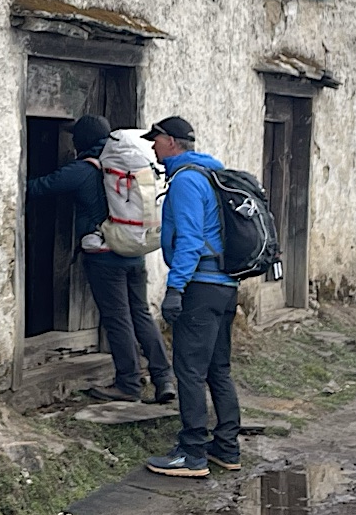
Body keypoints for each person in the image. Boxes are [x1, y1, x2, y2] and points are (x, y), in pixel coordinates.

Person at [24, 114, 173, 405]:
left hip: (104, 257)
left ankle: (128, 384)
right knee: (140, 314)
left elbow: (37, 188)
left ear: (81, 141)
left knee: (117, 319)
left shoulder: (83, 170)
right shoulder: (122, 167)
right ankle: (163, 378)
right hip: (134, 250)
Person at [141, 115, 242, 476]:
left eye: (156, 140)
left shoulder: (185, 181)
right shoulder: (213, 176)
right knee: (219, 370)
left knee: (189, 370)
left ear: (171, 141)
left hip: (199, 285)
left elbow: (189, 240)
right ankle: (227, 448)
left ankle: (192, 452)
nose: (152, 146)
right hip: (226, 286)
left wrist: (175, 288)